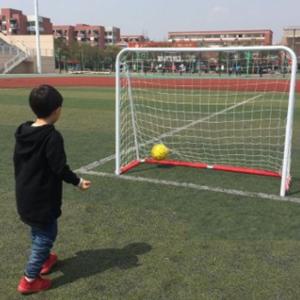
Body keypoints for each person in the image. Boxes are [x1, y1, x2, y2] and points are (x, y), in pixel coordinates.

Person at [13, 85, 91, 294]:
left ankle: (45, 259)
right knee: (46, 234)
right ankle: (29, 279)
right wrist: (78, 181)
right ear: (57, 110)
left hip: (24, 195)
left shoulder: (23, 131)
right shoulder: (51, 137)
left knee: (37, 231)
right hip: (41, 199)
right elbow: (59, 168)